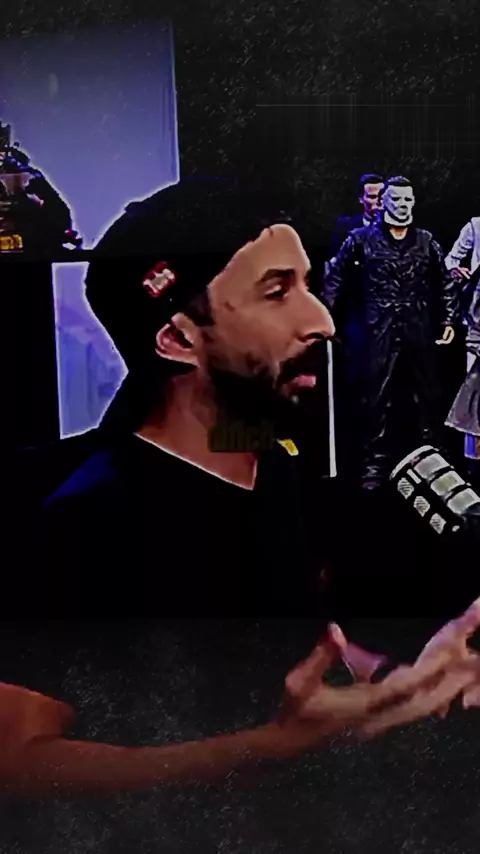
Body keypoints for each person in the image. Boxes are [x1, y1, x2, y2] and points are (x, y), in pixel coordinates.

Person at [1, 601, 480, 796]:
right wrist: (270, 745)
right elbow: (19, 760)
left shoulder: (270, 478)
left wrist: (397, 679)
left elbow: (304, 644)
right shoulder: (85, 510)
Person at [321, 175, 459, 490]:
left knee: (426, 394)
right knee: (376, 395)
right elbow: (335, 278)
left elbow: (444, 281)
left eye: (408, 199)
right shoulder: (360, 239)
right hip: (377, 326)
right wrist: (325, 317)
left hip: (417, 325)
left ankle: (432, 455)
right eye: (395, 199)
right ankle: (376, 461)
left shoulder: (425, 240)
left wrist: (449, 320)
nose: (402, 205)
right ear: (383, 202)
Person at [329, 172, 384, 258]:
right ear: (361, 199)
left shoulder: (395, 227)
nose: (379, 201)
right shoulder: (345, 226)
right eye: (372, 197)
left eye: (382, 196)